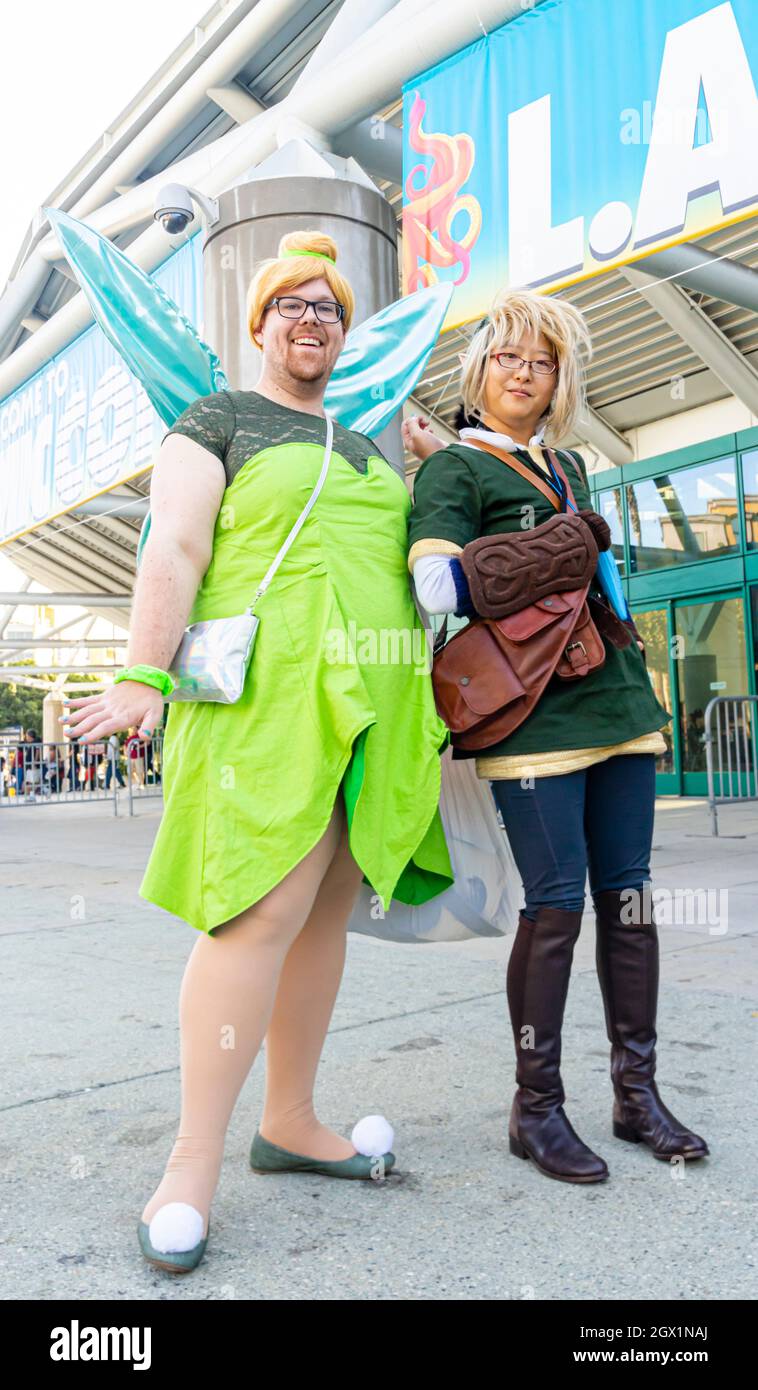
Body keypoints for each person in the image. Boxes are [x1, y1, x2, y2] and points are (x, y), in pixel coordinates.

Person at [60, 229, 452, 1273]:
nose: (311, 321)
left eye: (328, 307)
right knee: (257, 909)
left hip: (367, 703)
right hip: (262, 701)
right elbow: (178, 545)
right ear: (260, 324)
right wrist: (142, 675)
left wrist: (437, 452)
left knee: (322, 910)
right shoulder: (217, 418)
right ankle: (192, 1159)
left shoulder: (368, 447)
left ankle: (290, 1118)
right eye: (293, 305)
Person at [404, 288, 709, 1184]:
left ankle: (636, 1096)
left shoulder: (570, 467)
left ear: (559, 377)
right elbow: (437, 591)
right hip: (532, 720)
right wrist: (565, 545)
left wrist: (577, 541)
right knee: (553, 909)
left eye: (540, 361)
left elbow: (600, 583)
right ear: (480, 369)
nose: (523, 373)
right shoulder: (457, 471)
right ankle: (535, 1109)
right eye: (507, 357)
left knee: (632, 900)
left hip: (618, 703)